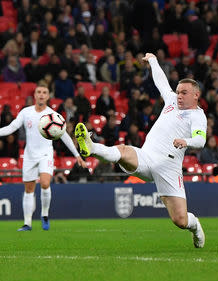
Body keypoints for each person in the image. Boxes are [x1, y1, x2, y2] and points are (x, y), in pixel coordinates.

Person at [75, 53, 207, 248]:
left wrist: (185, 141)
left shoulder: (197, 116)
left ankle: (195, 226)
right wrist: (153, 61)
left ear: (196, 95)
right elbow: (161, 81)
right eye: (178, 91)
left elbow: (200, 140)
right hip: (146, 156)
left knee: (180, 220)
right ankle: (91, 147)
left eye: (184, 93)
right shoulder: (171, 101)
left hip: (169, 167)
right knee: (123, 150)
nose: (179, 95)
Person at [0, 84, 86, 232]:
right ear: (35, 95)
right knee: (29, 189)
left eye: (45, 92)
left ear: (48, 96)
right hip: (30, 155)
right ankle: (27, 223)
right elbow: (11, 128)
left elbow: (65, 137)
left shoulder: (53, 116)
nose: (42, 95)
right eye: (39, 92)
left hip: (45, 154)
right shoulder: (26, 112)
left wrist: (77, 155)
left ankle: (44, 215)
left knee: (45, 183)